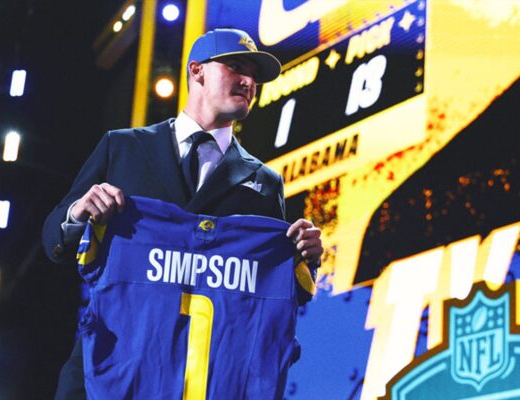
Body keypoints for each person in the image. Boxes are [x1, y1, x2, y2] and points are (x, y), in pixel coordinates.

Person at [42, 28, 323, 400]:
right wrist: (79, 213)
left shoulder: (265, 182)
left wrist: (306, 259)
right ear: (197, 70)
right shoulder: (123, 147)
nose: (249, 81)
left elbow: (272, 291)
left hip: (203, 381)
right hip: (113, 369)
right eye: (237, 67)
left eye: (255, 75)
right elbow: (54, 243)